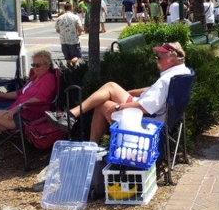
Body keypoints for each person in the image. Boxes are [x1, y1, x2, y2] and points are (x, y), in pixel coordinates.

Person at [45, 42, 191, 143]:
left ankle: (77, 125)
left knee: (103, 103)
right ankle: (72, 118)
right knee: (110, 89)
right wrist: (127, 92)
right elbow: (152, 90)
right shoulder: (181, 72)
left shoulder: (166, 80)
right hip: (153, 115)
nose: (156, 60)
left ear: (172, 59)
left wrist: (117, 107)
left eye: (159, 57)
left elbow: (145, 107)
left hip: (145, 121)